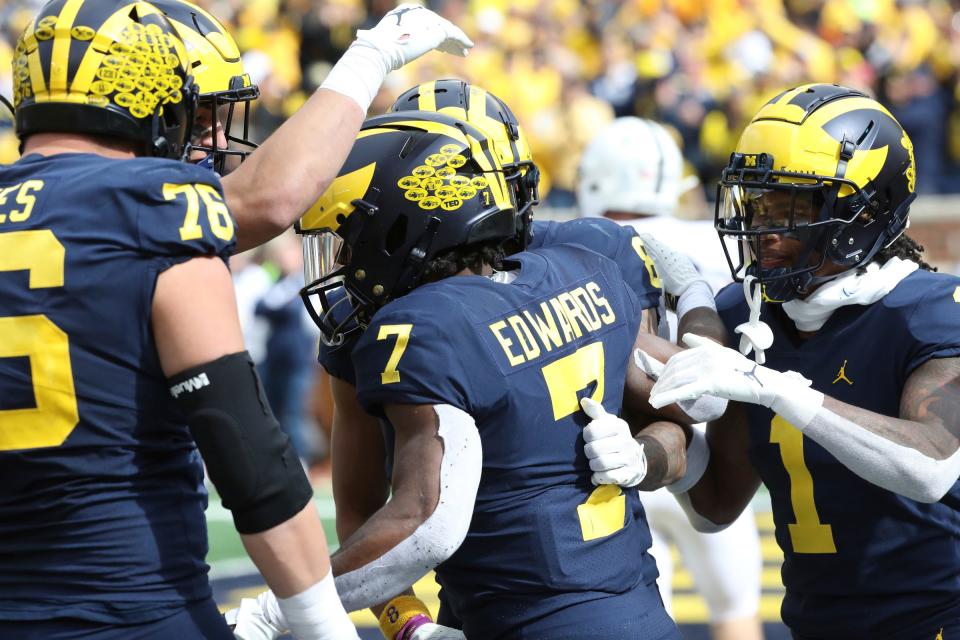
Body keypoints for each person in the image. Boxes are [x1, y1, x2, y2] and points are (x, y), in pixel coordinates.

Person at [234, 108, 734, 640]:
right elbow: (698, 401)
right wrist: (697, 295)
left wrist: (282, 609)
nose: (343, 260)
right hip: (637, 613)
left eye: (350, 238)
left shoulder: (423, 326)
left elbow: (425, 525)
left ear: (402, 225)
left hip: (532, 623)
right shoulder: (584, 269)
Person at [0, 1, 357, 638]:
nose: (213, 142)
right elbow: (248, 456)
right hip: (132, 608)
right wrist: (321, 624)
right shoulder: (159, 207)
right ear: (147, 99)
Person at [645, 83, 960, 638]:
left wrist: (775, 388)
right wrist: (646, 452)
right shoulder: (747, 312)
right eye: (758, 200)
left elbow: (931, 465)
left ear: (865, 213)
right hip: (818, 623)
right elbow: (714, 504)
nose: (764, 227)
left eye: (792, 204)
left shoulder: (930, 311)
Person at [577, 116, 764, 640]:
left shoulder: (572, 244)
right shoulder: (713, 242)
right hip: (713, 452)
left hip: (616, 451)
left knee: (644, 616)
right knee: (737, 612)